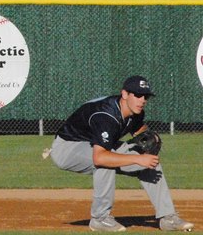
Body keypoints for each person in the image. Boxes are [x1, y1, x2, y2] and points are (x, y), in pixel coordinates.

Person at [50, 75, 194, 232]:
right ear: (125, 94)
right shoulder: (105, 115)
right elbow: (99, 157)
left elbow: (139, 129)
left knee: (150, 161)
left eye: (145, 96)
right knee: (106, 162)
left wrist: (150, 138)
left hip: (94, 144)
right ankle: (100, 219)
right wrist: (137, 160)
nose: (142, 100)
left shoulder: (136, 111)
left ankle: (168, 218)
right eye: (137, 95)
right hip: (67, 148)